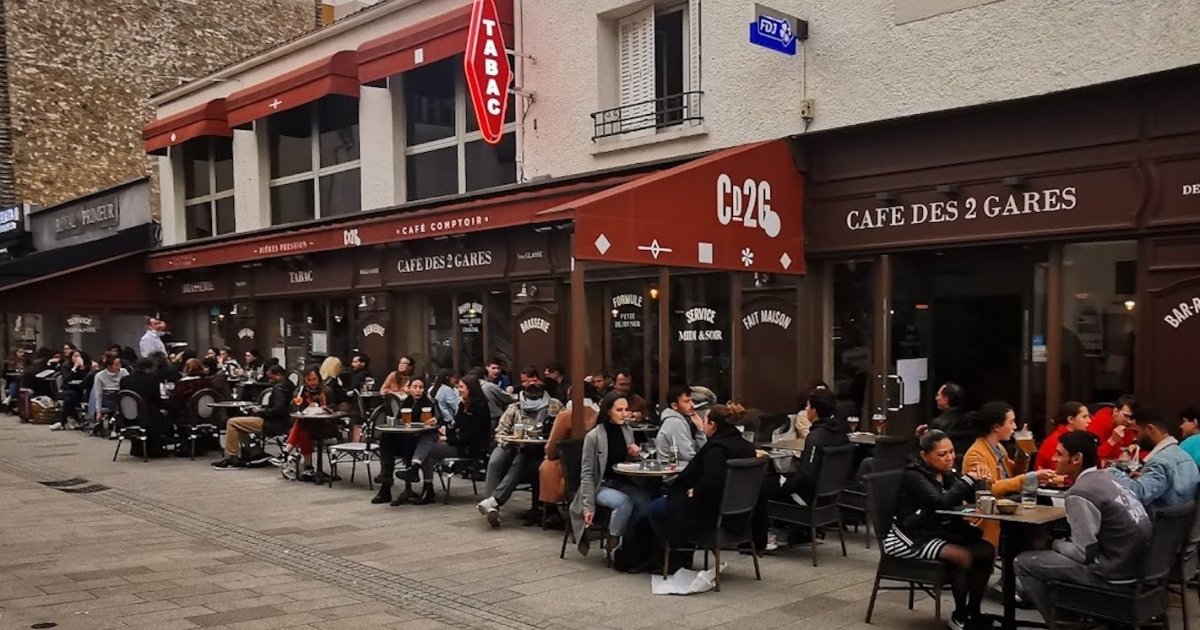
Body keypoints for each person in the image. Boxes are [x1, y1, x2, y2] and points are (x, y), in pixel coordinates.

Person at [1015, 431, 1152, 624]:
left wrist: (1051, 543)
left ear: (1077, 458)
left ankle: (1062, 625)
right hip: (1138, 568)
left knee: (1024, 562)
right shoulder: (1108, 478)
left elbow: (1082, 553)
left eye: (1060, 454)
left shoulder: (1080, 492)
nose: (1054, 459)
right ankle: (1069, 615)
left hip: (1112, 574)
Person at [881, 430, 995, 630]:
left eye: (952, 452)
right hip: (908, 538)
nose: (950, 458)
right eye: (942, 455)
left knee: (986, 550)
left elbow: (965, 496)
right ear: (925, 456)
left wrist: (980, 481)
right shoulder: (914, 475)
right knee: (962, 556)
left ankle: (973, 612)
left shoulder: (947, 474)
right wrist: (967, 480)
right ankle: (959, 617)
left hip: (937, 532)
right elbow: (939, 502)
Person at [648, 403, 760, 559]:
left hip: (712, 511)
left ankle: (671, 556)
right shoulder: (747, 447)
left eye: (704, 421)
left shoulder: (716, 450)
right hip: (741, 512)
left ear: (712, 424)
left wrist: (697, 490)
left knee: (656, 508)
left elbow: (713, 480)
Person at [963, 401, 1056, 547]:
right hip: (990, 511)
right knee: (1038, 502)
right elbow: (989, 489)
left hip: (1005, 507)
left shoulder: (998, 447)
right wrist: (1029, 478)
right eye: (1011, 422)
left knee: (1042, 500)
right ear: (997, 427)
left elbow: (1014, 474)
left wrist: (1023, 449)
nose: (1014, 427)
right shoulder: (976, 453)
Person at [570, 392, 650, 555]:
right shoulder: (594, 436)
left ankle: (631, 543)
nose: (624, 414)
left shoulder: (627, 431)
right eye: (619, 410)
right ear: (608, 411)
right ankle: (612, 545)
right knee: (624, 502)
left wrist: (635, 454)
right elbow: (587, 473)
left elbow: (628, 463)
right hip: (601, 484)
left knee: (645, 500)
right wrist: (588, 506)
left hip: (621, 481)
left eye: (626, 409)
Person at [476, 383, 563, 527]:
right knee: (496, 460)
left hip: (544, 450)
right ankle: (493, 506)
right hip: (515, 447)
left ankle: (494, 501)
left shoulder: (555, 405)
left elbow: (562, 427)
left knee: (524, 456)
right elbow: (501, 430)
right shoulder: (515, 406)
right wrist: (509, 441)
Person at [1110, 406, 1200, 511]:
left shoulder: (1160, 463)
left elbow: (1139, 493)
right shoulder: (1185, 456)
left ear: (1150, 429)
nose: (1135, 438)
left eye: (1136, 432)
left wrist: (1111, 472)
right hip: (1182, 525)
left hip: (1158, 524)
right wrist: (1145, 476)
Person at [773, 388, 850, 506]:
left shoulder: (815, 437)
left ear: (814, 410)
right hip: (833, 495)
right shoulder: (842, 432)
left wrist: (785, 483)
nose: (806, 409)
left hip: (809, 499)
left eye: (808, 406)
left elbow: (805, 478)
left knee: (767, 488)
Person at [372, 376, 441, 506]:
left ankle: (406, 483)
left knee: (408, 440)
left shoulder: (429, 404)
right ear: (409, 389)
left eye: (421, 387)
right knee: (386, 438)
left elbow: (438, 420)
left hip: (418, 442)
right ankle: (385, 481)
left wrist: (435, 420)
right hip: (405, 439)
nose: (418, 390)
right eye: (414, 387)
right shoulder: (407, 403)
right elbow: (399, 420)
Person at [212, 365, 291, 469]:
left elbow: (278, 409)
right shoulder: (289, 385)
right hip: (282, 422)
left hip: (272, 422)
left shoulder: (279, 388)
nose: (269, 381)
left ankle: (231, 457)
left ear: (279, 375)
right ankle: (254, 451)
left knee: (232, 422)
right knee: (239, 424)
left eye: (271, 378)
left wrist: (261, 411)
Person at [539, 382, 604, 505]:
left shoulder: (567, 415)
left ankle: (550, 511)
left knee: (544, 465)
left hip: (571, 471)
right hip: (598, 467)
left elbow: (551, 450)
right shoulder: (600, 414)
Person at [273, 366, 330, 481]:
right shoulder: (300, 392)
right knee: (302, 429)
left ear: (319, 379)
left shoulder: (327, 391)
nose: (312, 382)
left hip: (325, 425)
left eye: (314, 379)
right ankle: (308, 467)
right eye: (309, 380)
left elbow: (334, 407)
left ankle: (286, 452)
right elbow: (295, 409)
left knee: (301, 425)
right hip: (308, 425)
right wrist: (306, 407)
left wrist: (324, 408)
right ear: (305, 380)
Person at [119, 358, 168, 456]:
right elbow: (157, 400)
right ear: (149, 368)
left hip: (128, 416)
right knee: (164, 414)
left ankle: (137, 446)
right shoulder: (152, 380)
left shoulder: (124, 380)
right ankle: (157, 446)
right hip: (148, 417)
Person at [655, 385, 706, 464]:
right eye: (687, 401)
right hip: (677, 473)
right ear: (674, 406)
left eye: (692, 400)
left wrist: (700, 429)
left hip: (683, 470)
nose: (692, 405)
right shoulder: (675, 423)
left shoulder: (681, 420)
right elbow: (687, 455)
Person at [1035, 401, 1091, 472]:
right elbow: (1058, 473)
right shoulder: (1056, 441)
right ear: (1071, 419)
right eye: (1084, 417)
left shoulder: (1074, 439)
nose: (1089, 421)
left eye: (1089, 416)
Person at [1088, 394, 1138, 463]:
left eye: (1132, 418)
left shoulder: (1131, 427)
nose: (1129, 421)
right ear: (1115, 411)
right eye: (1126, 416)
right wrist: (1112, 440)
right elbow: (1092, 457)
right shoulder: (1099, 422)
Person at [166, 358, 214, 425]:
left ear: (186, 369)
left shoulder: (183, 384)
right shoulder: (209, 382)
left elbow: (174, 401)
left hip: (187, 416)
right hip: (210, 415)